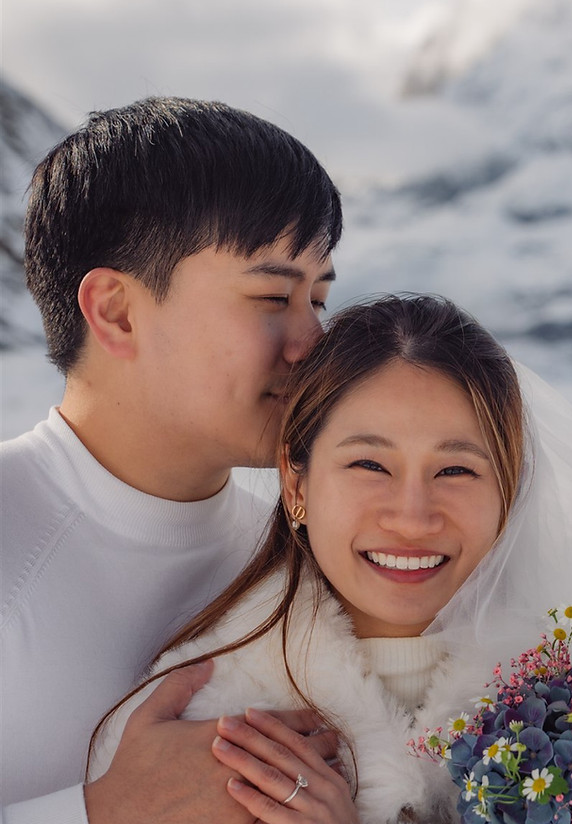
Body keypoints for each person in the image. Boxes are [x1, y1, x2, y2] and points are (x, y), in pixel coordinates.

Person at [90, 294, 572, 823]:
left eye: (456, 471)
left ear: (511, 491)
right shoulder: (199, 724)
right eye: (369, 464)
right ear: (296, 482)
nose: (412, 517)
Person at [0, 96, 345, 823]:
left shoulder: (314, 554)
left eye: (318, 299)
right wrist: (102, 811)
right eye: (273, 296)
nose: (314, 343)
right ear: (117, 311)